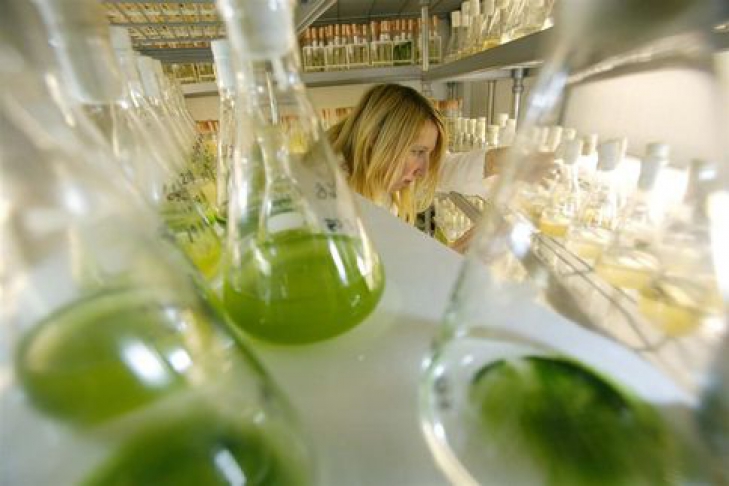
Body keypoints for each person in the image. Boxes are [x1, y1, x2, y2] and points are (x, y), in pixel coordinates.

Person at [328, 84, 499, 252]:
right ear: (375, 138)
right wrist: (450, 257)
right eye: (417, 151)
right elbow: (369, 266)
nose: (423, 171)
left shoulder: (371, 167)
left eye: (428, 153)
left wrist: (495, 161)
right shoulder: (332, 199)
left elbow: (442, 168)